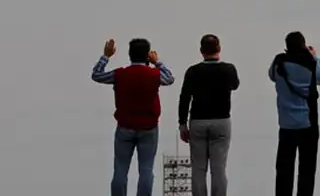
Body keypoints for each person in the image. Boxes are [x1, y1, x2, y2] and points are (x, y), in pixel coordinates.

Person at [91, 38, 176, 196]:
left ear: (130, 54)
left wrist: (106, 56)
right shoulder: (154, 75)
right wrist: (157, 62)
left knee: (120, 170)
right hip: (149, 127)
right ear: (147, 56)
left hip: (125, 125)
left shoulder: (120, 74)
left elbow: (96, 75)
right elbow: (170, 78)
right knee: (146, 169)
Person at [269, 31, 320, 196]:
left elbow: (272, 76)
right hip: (308, 123)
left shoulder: (279, 62)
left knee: (284, 170)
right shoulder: (310, 63)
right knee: (306, 169)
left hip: (285, 124)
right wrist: (314, 57)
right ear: (303, 45)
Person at [177, 34, 240, 196]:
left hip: (198, 121)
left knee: (198, 169)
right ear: (219, 48)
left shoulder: (193, 71)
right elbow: (235, 85)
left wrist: (182, 123)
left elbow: (184, 97)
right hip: (221, 121)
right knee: (218, 169)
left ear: (201, 51)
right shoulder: (228, 69)